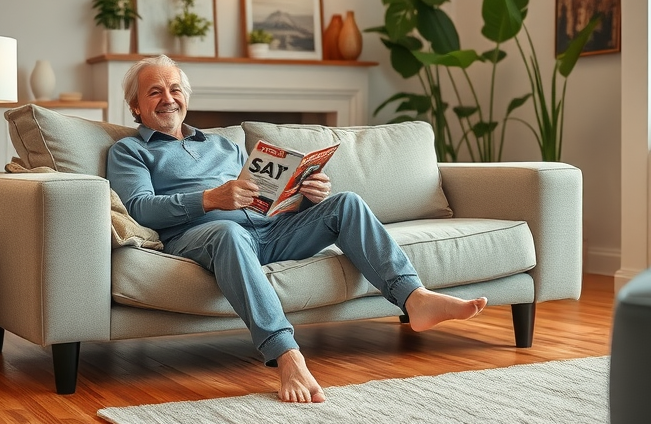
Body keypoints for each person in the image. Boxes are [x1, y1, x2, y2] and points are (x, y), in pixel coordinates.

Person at [107, 55, 488, 403]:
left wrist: (307, 194)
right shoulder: (130, 151)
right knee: (228, 232)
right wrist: (210, 199)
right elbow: (140, 209)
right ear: (136, 106)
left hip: (269, 229)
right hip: (205, 237)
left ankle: (414, 298)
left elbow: (265, 196)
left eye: (174, 89)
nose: (168, 98)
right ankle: (286, 355)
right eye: (155, 92)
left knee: (345, 203)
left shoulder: (223, 145)